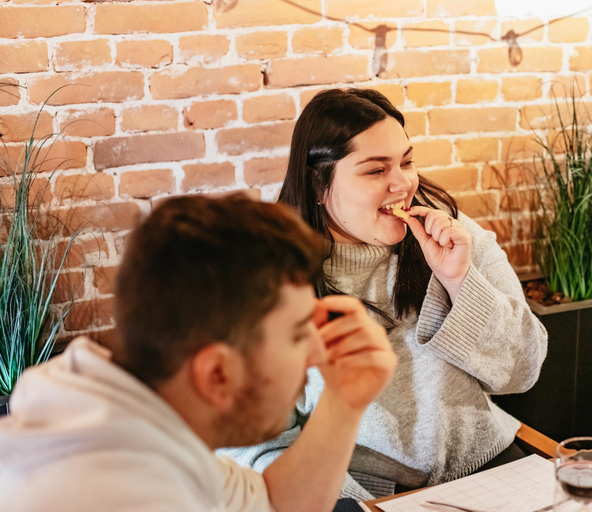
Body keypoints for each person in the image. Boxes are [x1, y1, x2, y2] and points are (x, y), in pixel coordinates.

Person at [221, 89, 549, 500]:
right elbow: (255, 442)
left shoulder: (455, 235)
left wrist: (460, 282)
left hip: (484, 464)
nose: (403, 183)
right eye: (376, 171)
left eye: (407, 162)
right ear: (319, 186)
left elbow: (524, 372)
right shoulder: (268, 279)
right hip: (357, 493)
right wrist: (349, 502)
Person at [0, 194, 397, 512]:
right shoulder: (123, 494)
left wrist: (344, 400)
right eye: (297, 335)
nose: (317, 352)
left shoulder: (132, 423)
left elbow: (274, 503)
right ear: (217, 374)